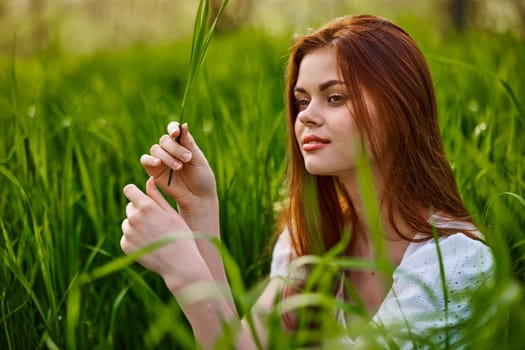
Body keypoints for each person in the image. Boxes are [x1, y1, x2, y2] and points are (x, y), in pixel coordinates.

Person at [120, 14, 494, 349]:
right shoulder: (315, 238)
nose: (307, 117)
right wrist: (201, 208)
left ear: (400, 109)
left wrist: (184, 270)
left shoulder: (453, 265)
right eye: (302, 101)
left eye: (334, 97)